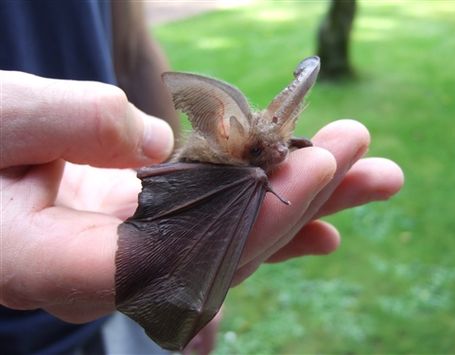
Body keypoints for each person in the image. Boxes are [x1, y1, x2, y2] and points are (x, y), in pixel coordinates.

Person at [0, 1, 404, 354]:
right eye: (264, 152)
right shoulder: (236, 169)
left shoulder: (256, 158)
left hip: (117, 311)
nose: (279, 154)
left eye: (283, 144)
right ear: (234, 143)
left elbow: (131, 46)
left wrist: (196, 289)